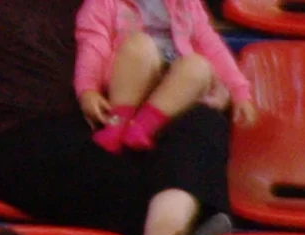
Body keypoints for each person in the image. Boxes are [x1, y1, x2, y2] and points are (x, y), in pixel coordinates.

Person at [0, 0, 227, 235]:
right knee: (128, 181)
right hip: (6, 133)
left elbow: (185, 22)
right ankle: (182, 234)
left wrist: (215, 74)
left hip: (102, 121)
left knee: (202, 118)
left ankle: (171, 224)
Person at [71, 0, 248, 161]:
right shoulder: (102, 3)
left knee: (199, 65)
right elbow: (92, 46)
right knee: (139, 44)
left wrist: (238, 90)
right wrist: (88, 89)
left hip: (173, 84)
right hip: (129, 77)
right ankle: (117, 122)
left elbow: (212, 45)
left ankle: (143, 126)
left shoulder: (188, 4)